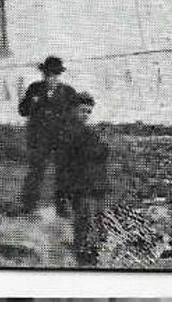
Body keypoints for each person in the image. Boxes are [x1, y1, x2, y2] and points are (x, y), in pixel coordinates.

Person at [55, 91, 110, 266]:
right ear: (73, 110)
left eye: (88, 112)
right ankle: (83, 256)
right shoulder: (68, 132)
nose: (85, 115)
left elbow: (101, 153)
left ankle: (92, 252)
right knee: (84, 220)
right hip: (80, 185)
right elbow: (65, 162)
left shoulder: (87, 131)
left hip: (94, 183)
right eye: (82, 111)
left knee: (97, 218)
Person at [17, 55, 78, 213]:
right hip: (39, 140)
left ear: (59, 75)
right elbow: (22, 111)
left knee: (63, 173)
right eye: (48, 74)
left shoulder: (68, 92)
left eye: (54, 74)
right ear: (43, 74)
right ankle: (28, 207)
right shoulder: (34, 89)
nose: (50, 78)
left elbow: (74, 117)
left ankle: (62, 208)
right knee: (36, 172)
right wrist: (32, 102)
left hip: (61, 140)